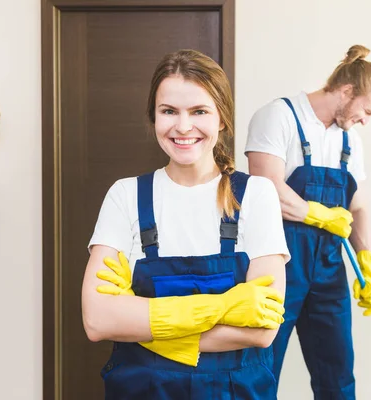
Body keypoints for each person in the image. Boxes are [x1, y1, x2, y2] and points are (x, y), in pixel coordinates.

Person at [81, 49, 290, 399]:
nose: (182, 126)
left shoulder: (256, 194)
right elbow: (97, 320)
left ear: (221, 118)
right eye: (169, 111)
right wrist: (222, 308)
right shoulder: (125, 196)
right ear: (154, 117)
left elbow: (263, 329)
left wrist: (142, 323)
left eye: (199, 111)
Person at [245, 44, 371, 399]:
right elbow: (267, 191)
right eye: (366, 110)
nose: (366, 121)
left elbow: (358, 205)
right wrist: (319, 215)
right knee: (259, 368)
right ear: (346, 91)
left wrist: (366, 262)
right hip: (278, 265)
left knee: (337, 375)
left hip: (328, 270)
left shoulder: (349, 138)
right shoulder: (278, 116)